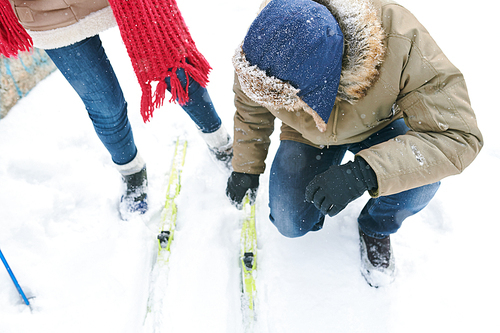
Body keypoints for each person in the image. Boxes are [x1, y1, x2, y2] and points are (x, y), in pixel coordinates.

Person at [225, 0, 483, 287]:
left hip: (379, 122)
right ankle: (312, 210)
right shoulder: (267, 43)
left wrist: (365, 173)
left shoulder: (400, 37)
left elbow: (458, 136)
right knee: (289, 221)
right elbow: (251, 110)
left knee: (420, 181)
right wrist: (246, 167)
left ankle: (376, 226)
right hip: (307, 134)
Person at [0, 0, 232, 219]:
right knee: (105, 106)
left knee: (176, 70)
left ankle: (221, 142)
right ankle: (132, 172)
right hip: (46, 14)